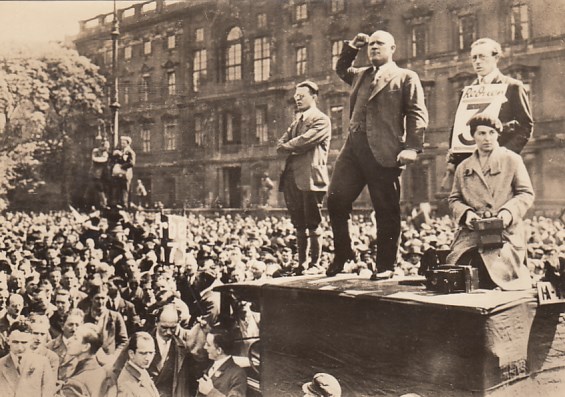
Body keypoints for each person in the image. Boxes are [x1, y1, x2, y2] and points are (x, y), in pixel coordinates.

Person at [326, 30, 428, 279]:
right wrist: (352, 46)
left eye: (379, 44)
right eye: (370, 45)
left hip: (384, 151)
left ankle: (385, 266)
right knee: (335, 200)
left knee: (386, 210)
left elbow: (417, 113)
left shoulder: (405, 77)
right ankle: (344, 253)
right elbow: (341, 69)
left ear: (393, 48)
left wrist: (412, 147)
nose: (373, 48)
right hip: (353, 149)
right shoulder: (361, 75)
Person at [447, 114, 534, 290]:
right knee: (458, 272)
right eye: (481, 133)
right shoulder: (463, 167)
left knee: (497, 274)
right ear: (473, 136)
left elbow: (525, 194)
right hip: (472, 234)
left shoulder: (512, 160)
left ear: (498, 135)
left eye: (491, 133)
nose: (487, 138)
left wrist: (507, 213)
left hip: (505, 234)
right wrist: (467, 214)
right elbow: (454, 199)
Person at [442, 37, 534, 188]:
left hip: (500, 165)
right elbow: (458, 127)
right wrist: (453, 158)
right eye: (474, 58)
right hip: (470, 164)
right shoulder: (467, 91)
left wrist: (505, 154)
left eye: (482, 57)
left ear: (496, 58)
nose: (477, 62)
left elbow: (526, 126)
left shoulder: (512, 87)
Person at [277, 80, 332, 274]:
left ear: (314, 97)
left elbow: (304, 141)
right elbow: (281, 142)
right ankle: (302, 263)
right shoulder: (297, 122)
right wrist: (287, 144)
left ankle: (315, 264)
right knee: (299, 224)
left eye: (302, 96)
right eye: (296, 97)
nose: (297, 100)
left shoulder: (321, 119)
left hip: (310, 178)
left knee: (313, 223)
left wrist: (287, 146)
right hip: (292, 177)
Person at [59, 323, 117, 397]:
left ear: (86, 347)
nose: (69, 340)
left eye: (75, 338)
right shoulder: (108, 375)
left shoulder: (75, 383)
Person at [0, 321, 57, 397]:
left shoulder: (42, 363)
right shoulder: (1, 364)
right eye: (15, 342)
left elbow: (48, 392)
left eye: (24, 343)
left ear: (31, 341)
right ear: (8, 341)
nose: (19, 348)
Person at [197, 328, 247, 397]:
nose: (205, 347)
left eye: (208, 345)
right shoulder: (212, 365)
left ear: (219, 350)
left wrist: (211, 392)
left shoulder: (238, 374)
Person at [117, 332, 160, 397]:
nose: (148, 358)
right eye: (143, 353)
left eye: (151, 353)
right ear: (131, 354)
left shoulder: (141, 370)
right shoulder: (125, 384)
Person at [110, 136, 136, 208]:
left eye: (124, 143)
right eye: (121, 143)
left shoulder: (130, 152)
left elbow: (131, 163)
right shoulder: (121, 151)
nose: (122, 145)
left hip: (126, 173)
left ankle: (125, 205)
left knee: (125, 189)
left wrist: (121, 166)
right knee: (118, 188)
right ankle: (117, 205)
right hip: (119, 174)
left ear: (128, 144)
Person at [86, 137, 110, 209]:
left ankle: (103, 203)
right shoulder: (95, 151)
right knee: (96, 188)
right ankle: (97, 204)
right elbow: (95, 159)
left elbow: (105, 159)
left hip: (103, 174)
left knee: (102, 189)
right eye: (104, 146)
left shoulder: (105, 153)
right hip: (95, 174)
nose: (105, 148)